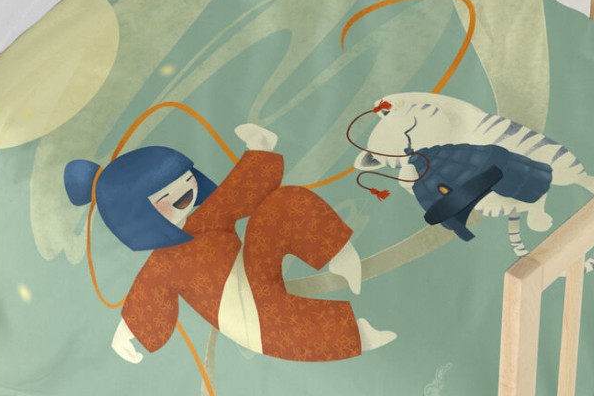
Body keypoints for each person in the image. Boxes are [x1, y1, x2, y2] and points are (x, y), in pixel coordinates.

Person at [64, 123, 396, 363]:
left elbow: (237, 192)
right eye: (172, 201)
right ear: (139, 218)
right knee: (282, 327)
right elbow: (147, 296)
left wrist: (260, 151)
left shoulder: (205, 217)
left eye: (188, 185)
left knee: (283, 204)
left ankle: (339, 253)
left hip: (253, 270)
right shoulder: (163, 264)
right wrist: (128, 330)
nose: (187, 198)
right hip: (241, 311)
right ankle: (359, 335)